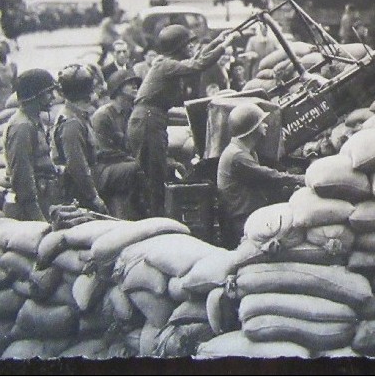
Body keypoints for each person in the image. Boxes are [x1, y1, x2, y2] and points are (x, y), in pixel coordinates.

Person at [128, 24, 241, 216]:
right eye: (187, 44)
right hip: (148, 120)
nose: (191, 47)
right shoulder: (167, 65)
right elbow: (198, 65)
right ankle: (156, 217)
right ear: (177, 47)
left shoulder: (168, 63)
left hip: (150, 119)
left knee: (157, 171)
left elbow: (196, 59)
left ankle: (157, 214)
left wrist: (218, 39)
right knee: (155, 175)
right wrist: (225, 45)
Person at [217, 103, 304, 248]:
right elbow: (269, 176)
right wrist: (300, 179)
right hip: (242, 219)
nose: (265, 125)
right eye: (260, 122)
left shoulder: (244, 150)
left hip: (246, 213)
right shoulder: (237, 156)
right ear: (251, 129)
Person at [50, 65, 110, 215]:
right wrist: (94, 197)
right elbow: (77, 166)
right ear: (88, 93)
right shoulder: (72, 123)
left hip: (82, 186)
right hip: (77, 192)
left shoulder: (77, 115)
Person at [3, 69, 59, 221]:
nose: (53, 97)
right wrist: (38, 218)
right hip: (27, 209)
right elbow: (22, 177)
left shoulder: (33, 121)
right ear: (36, 96)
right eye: (48, 93)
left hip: (41, 200)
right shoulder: (22, 127)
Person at [91, 69, 145, 219]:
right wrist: (136, 160)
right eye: (130, 83)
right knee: (140, 167)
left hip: (123, 165)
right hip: (104, 169)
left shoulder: (132, 112)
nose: (135, 86)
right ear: (117, 88)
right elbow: (105, 153)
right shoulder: (103, 116)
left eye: (136, 83)